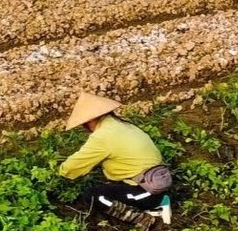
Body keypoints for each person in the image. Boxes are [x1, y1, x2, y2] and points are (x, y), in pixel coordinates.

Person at [58, 93, 172, 224]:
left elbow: (72, 166)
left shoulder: (103, 136)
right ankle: (152, 201)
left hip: (148, 191)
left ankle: (142, 217)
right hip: (155, 179)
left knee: (95, 196)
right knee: (109, 185)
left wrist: (60, 171)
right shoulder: (123, 125)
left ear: (90, 120)